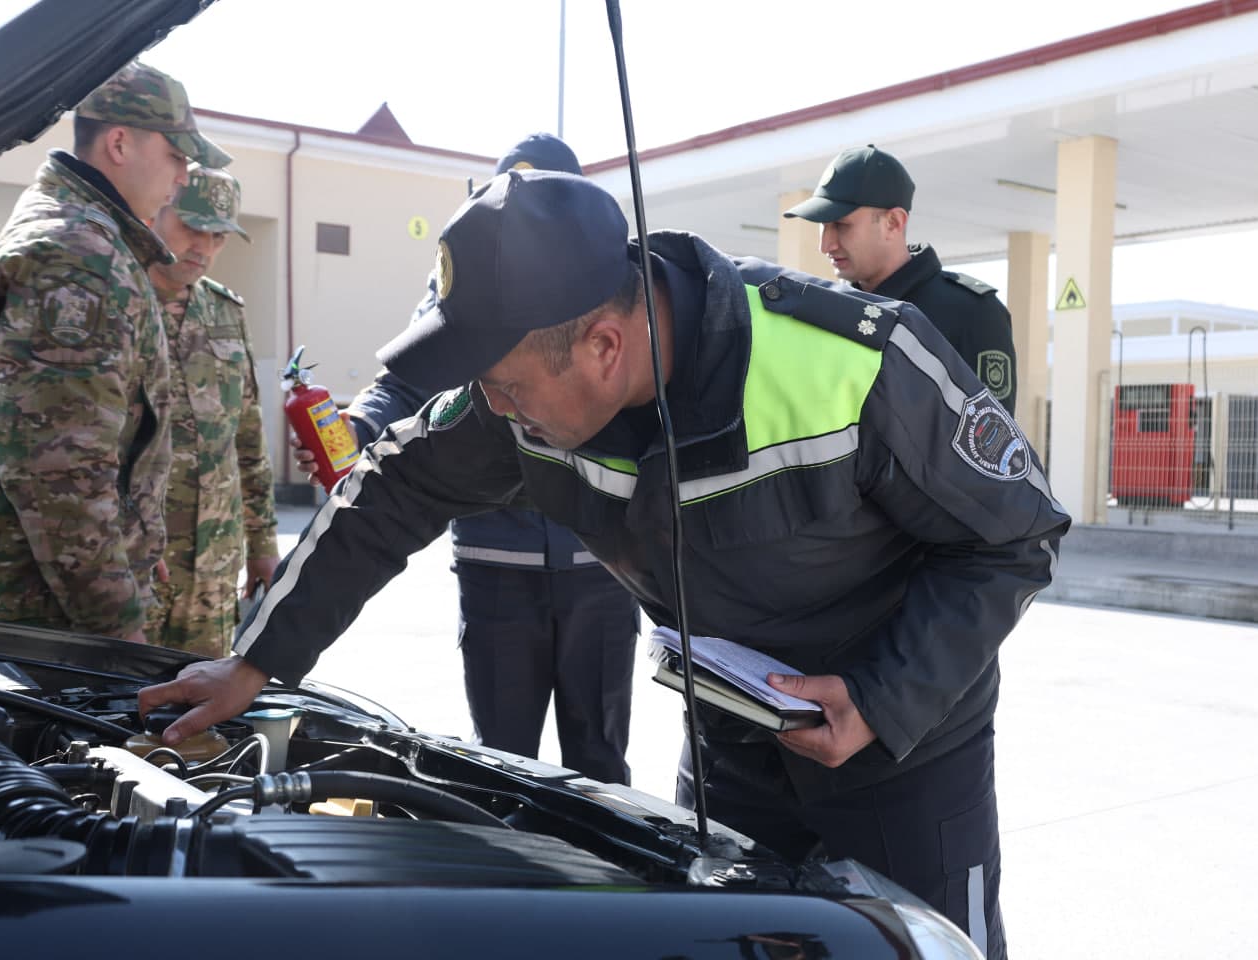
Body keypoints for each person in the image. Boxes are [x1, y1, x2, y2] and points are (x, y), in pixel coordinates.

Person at [141, 170, 1070, 959]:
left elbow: (1014, 535)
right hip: (733, 741)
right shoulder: (529, 396)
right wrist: (256, 663)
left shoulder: (857, 362)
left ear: (603, 346)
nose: (496, 411)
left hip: (903, 752)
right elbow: (389, 491)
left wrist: (881, 696)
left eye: (505, 388)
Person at [299, 134, 638, 785]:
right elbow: (413, 379)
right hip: (496, 563)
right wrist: (359, 425)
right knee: (498, 760)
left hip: (599, 566)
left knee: (598, 762)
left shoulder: (609, 284)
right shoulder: (467, 285)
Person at [0, 61, 230, 642]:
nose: (182, 176)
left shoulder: (82, 236)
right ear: (120, 142)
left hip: (49, 604)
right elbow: (61, 476)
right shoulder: (77, 257)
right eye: (176, 156)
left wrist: (138, 541)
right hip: (50, 622)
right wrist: (119, 629)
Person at [144, 166, 279, 657]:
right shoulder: (120, 300)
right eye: (192, 228)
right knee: (113, 716)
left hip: (213, 570)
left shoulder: (226, 311)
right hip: (139, 569)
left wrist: (262, 543)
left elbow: (247, 437)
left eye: (218, 235)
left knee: (197, 719)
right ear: (158, 209)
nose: (204, 247)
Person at [784, 144, 1018, 414]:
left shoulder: (971, 313)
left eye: (841, 225)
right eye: (823, 227)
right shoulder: (832, 314)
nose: (826, 245)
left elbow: (990, 443)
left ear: (893, 222)